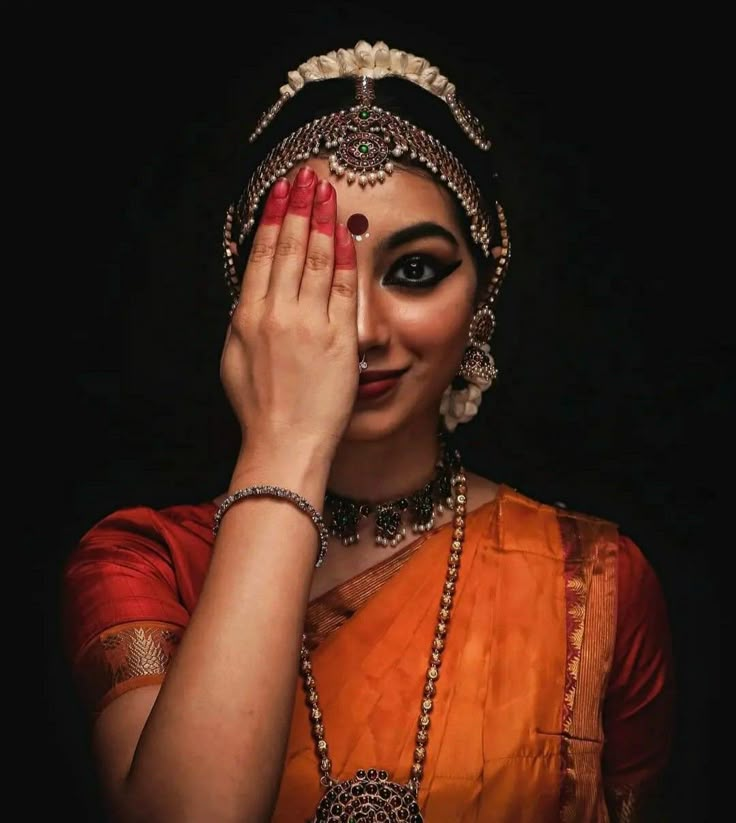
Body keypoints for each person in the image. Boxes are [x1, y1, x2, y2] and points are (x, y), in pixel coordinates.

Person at [61, 39, 675, 822]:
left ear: (483, 296)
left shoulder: (595, 581)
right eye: (314, 276)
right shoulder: (144, 565)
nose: (358, 329)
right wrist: (284, 444)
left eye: (415, 270)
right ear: (247, 303)